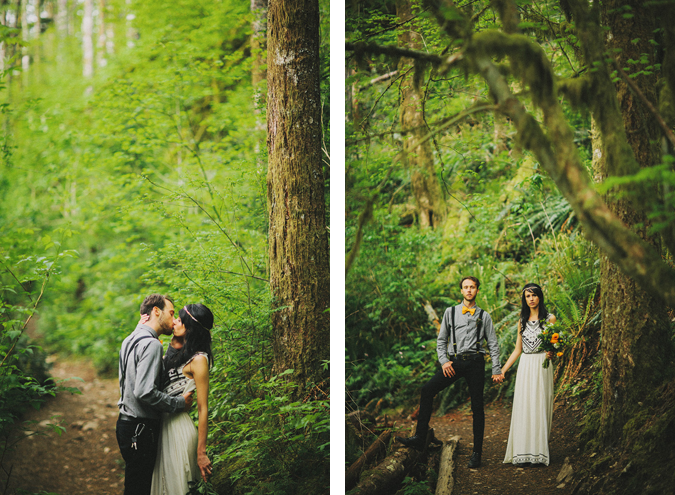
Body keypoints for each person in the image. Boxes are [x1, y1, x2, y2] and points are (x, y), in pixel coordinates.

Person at [397, 276, 503, 469]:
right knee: (427, 389)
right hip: (454, 363)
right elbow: (441, 340)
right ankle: (420, 437)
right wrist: (444, 361)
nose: (469, 290)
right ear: (461, 291)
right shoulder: (450, 312)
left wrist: (496, 369)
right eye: (465, 287)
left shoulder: (484, 316)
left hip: (476, 363)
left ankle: (477, 453)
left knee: (477, 407)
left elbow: (493, 345)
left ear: (477, 290)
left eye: (472, 287)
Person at [117, 294, 194, 495]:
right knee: (140, 488)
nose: (173, 319)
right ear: (156, 311)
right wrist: (178, 403)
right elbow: (144, 391)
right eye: (170, 313)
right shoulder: (151, 344)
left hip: (125, 425)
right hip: (141, 428)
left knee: (135, 484)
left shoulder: (129, 339)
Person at [150, 303, 214, 495]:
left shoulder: (198, 360)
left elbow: (203, 408)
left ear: (191, 329)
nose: (175, 321)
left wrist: (201, 453)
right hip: (160, 428)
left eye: (180, 320)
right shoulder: (171, 353)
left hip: (179, 431)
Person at [498, 283, 556, 466]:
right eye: (528, 296)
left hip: (542, 364)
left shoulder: (549, 318)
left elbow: (554, 343)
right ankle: (523, 453)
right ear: (524, 299)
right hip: (525, 364)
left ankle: (538, 453)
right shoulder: (521, 321)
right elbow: (517, 350)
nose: (531, 299)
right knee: (524, 405)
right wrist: (503, 370)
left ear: (540, 297)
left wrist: (552, 351)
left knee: (540, 405)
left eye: (534, 295)